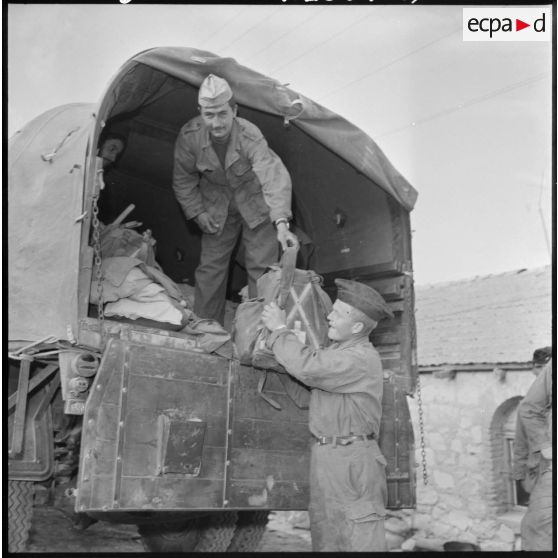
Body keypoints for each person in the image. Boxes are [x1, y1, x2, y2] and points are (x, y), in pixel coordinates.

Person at [261, 278, 393, 552]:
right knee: (326, 538)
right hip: (329, 458)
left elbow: (309, 367)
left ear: (357, 327)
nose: (329, 316)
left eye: (338, 313)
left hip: (352, 461)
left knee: (358, 541)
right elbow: (308, 387)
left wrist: (280, 331)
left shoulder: (358, 358)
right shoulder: (338, 353)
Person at [172, 74, 299, 325]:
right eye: (209, 115)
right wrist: (197, 212)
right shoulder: (189, 137)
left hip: (256, 205)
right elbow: (183, 179)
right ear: (200, 112)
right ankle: (207, 330)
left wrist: (281, 222)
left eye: (222, 114)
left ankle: (256, 333)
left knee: (261, 270)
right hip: (216, 208)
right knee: (210, 270)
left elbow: (272, 176)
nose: (216, 122)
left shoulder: (250, 135)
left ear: (234, 110)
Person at [513, 347, 553, 551]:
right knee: (538, 524)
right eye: (539, 369)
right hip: (538, 469)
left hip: (542, 468)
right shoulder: (531, 405)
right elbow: (520, 441)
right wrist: (520, 475)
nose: (539, 374)